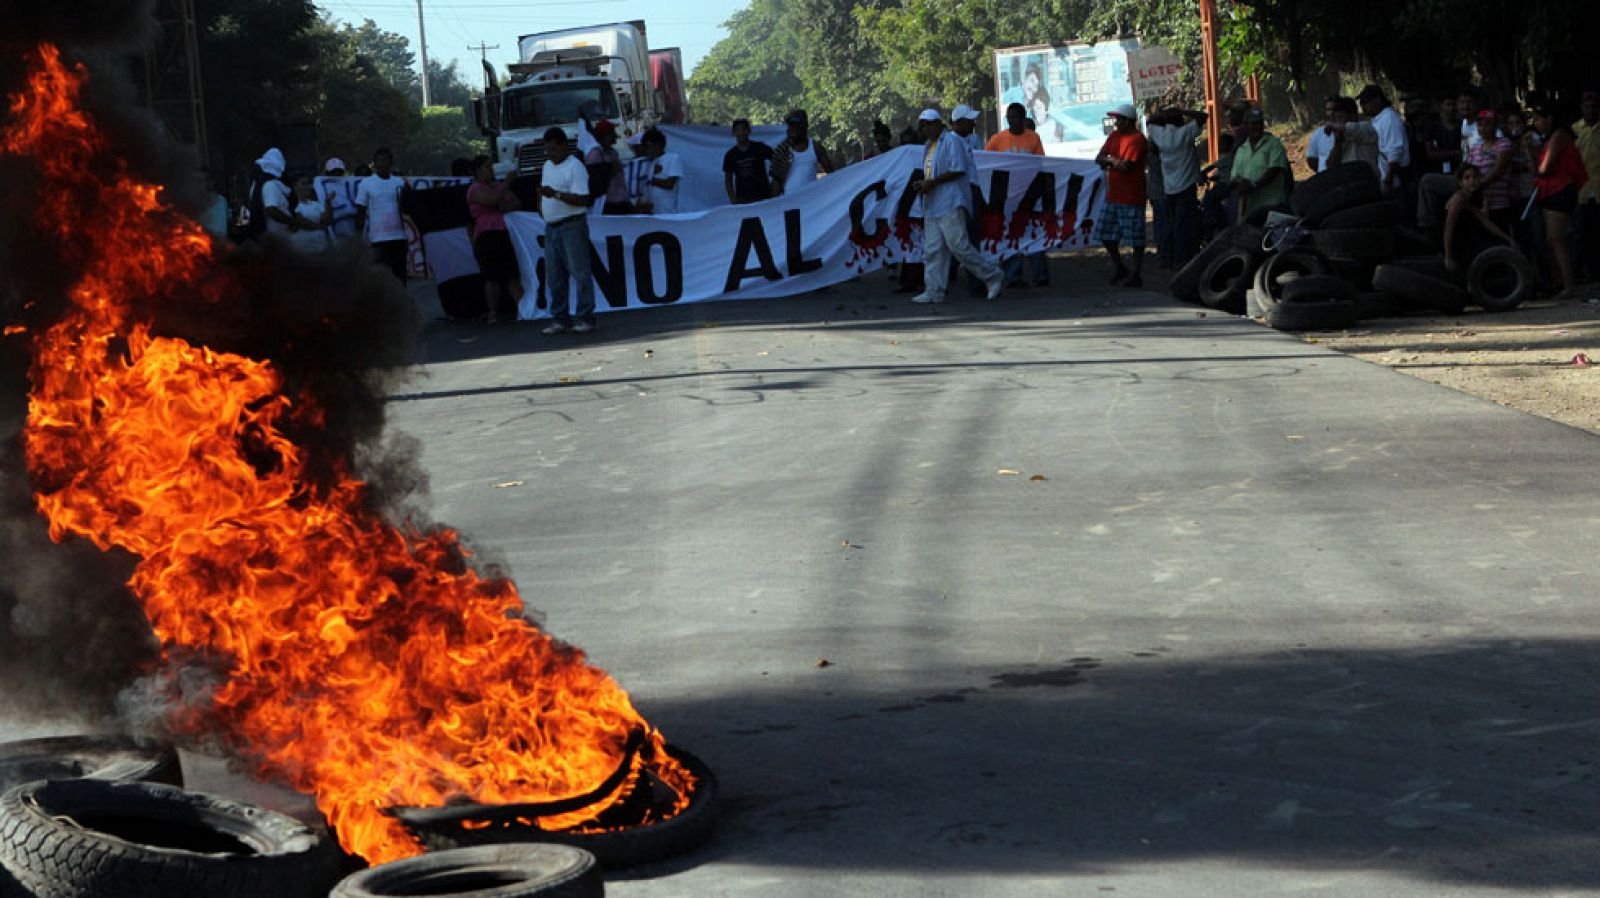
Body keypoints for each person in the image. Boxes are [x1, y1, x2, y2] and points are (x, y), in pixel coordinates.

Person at [910, 108, 1003, 304]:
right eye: (923, 126)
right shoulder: (929, 146)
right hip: (932, 203)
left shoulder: (952, 141)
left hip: (950, 201)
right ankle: (934, 290)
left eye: (928, 124)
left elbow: (958, 169)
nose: (925, 129)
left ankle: (992, 275)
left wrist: (931, 183)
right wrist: (924, 183)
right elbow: (931, 173)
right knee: (933, 249)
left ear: (938, 124)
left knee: (959, 246)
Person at [538, 128, 597, 335]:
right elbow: (543, 191)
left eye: (553, 148)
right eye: (547, 149)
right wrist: (542, 206)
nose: (549, 153)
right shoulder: (547, 166)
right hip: (551, 227)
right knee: (554, 276)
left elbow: (583, 199)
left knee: (580, 272)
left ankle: (585, 317)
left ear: (564, 146)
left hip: (572, 225)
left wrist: (555, 195)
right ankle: (560, 319)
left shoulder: (575, 167)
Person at [986, 102, 1049, 287]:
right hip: (1008, 196)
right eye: (1009, 117)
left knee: (1034, 233)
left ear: (1023, 119)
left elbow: (1041, 164)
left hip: (1029, 194)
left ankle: (1040, 275)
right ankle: (1013, 277)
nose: (1012, 121)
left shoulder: (1033, 138)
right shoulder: (998, 139)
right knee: (1011, 234)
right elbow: (984, 160)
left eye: (1016, 117)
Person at [1530, 103, 1588, 295]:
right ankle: (1559, 282)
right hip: (1551, 191)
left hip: (1560, 190)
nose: (1535, 123)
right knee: (1551, 239)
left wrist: (1532, 156)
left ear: (1549, 119)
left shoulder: (1559, 136)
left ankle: (1568, 285)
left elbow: (1544, 168)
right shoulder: (1551, 138)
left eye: (1538, 118)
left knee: (1557, 239)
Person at [1094, 103, 1150, 287]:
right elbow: (1100, 157)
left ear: (1127, 121)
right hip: (1114, 194)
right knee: (1104, 233)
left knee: (1135, 237)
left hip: (1132, 195)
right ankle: (1121, 267)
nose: (1116, 123)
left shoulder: (1137, 139)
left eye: (1119, 119)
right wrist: (1113, 161)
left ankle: (1136, 272)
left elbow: (1127, 166)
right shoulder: (1114, 136)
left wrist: (1109, 161)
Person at [1147, 105, 1207, 268]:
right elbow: (1203, 116)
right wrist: (1184, 110)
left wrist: (1164, 114)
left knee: (1172, 224)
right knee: (1186, 225)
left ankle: (1171, 258)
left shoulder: (1159, 134)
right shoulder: (1185, 133)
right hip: (1186, 186)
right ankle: (1183, 259)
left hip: (1169, 187)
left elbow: (1150, 121)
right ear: (1181, 120)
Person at [466, 155, 522, 324]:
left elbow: (516, 203)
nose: (491, 171)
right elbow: (491, 200)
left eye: (492, 167)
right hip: (486, 235)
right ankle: (493, 312)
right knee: (492, 276)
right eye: (487, 167)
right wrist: (506, 184)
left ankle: (522, 308)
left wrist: (504, 205)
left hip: (503, 232)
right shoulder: (475, 189)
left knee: (512, 273)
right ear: (477, 171)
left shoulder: (497, 186)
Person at [1443, 163, 1516, 275]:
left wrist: (1507, 239)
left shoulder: (1471, 199)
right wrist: (1448, 257)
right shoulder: (1458, 200)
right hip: (1460, 246)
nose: (1472, 181)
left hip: (1469, 241)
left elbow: (1486, 222)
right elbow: (1448, 228)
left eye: (1475, 177)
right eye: (1467, 178)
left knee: (1504, 246)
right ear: (1461, 182)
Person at [354, 147, 409, 281]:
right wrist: (356, 239)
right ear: (374, 163)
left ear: (391, 163)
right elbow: (360, 211)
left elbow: (407, 209)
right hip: (378, 239)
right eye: (378, 161)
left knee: (400, 277)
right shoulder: (366, 183)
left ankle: (400, 301)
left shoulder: (400, 183)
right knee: (382, 279)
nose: (382, 164)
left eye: (385, 161)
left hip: (400, 237)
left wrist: (409, 192)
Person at [1230, 107, 1289, 220]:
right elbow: (1234, 177)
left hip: (1272, 206)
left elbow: (1274, 169)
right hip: (1249, 209)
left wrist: (1253, 185)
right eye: (1253, 124)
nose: (1257, 127)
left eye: (1259, 123)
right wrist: (1240, 184)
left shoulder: (1274, 144)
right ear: (1246, 126)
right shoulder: (1242, 149)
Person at [1463, 109, 1515, 233]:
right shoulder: (1476, 147)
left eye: (1487, 124)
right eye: (1480, 125)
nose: (1483, 128)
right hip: (1478, 203)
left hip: (1498, 203)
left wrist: (1478, 184)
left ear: (1495, 126)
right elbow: (1467, 170)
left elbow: (1499, 170)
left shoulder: (1504, 144)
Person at [1355, 85, 1410, 201]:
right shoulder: (1379, 119)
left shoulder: (1389, 118)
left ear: (1378, 100)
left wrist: (1387, 181)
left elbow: (1395, 151)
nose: (1363, 106)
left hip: (1395, 180)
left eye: (1366, 102)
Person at [770, 110, 833, 196]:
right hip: (789, 200)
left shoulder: (815, 147)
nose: (792, 129)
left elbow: (832, 174)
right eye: (790, 126)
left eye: (796, 126)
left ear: (805, 126)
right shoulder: (782, 150)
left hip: (811, 199)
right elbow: (776, 182)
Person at [1573, 91, 1600, 283]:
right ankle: (1583, 274)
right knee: (1581, 234)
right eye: (1586, 105)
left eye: (1593, 105)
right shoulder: (1574, 130)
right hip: (1581, 190)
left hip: (1598, 189)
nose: (1590, 109)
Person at [585, 120, 631, 214]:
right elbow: (594, 178)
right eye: (612, 132)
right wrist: (610, 169)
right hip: (607, 204)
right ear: (605, 135)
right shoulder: (595, 154)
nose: (615, 135)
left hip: (622, 201)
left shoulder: (613, 152)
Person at [723, 119, 774, 205]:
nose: (741, 132)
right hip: (743, 199)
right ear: (733, 133)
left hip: (763, 196)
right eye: (737, 130)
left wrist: (775, 183)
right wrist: (733, 199)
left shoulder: (760, 147)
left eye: (744, 129)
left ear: (749, 131)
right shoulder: (730, 155)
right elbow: (728, 179)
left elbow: (778, 160)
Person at [635, 128, 682, 214]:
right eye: (645, 147)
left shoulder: (673, 158)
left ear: (658, 145)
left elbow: (669, 184)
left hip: (667, 212)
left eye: (648, 147)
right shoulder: (646, 162)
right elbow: (643, 188)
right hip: (650, 212)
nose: (647, 150)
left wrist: (650, 180)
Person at [287, 173, 332, 253]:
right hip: (300, 250)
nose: (308, 187)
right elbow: (301, 221)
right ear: (295, 186)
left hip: (320, 248)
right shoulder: (290, 204)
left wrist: (328, 202)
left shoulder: (315, 204)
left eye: (309, 184)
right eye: (304, 184)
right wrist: (320, 226)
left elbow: (326, 220)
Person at [1305, 97, 1339, 175]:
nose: (1332, 113)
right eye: (1328, 110)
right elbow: (1311, 159)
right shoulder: (1318, 133)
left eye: (1335, 109)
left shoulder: (1351, 131)